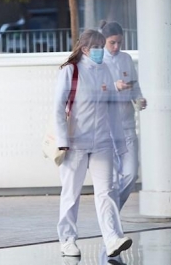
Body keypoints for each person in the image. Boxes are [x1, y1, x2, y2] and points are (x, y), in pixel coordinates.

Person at [55, 29, 133, 259]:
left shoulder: (105, 71)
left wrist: (119, 144)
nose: (102, 51)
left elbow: (112, 110)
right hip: (75, 144)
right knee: (71, 193)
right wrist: (62, 141)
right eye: (98, 47)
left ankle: (112, 239)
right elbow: (58, 108)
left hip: (102, 144)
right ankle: (67, 239)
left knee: (107, 192)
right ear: (86, 49)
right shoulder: (71, 71)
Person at [99, 20, 147, 210]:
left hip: (127, 124)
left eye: (119, 42)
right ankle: (110, 216)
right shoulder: (98, 60)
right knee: (110, 178)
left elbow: (134, 85)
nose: (117, 46)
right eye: (112, 42)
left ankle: (111, 209)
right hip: (107, 126)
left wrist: (139, 99)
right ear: (104, 41)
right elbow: (94, 91)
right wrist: (114, 87)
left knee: (131, 173)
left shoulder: (126, 58)